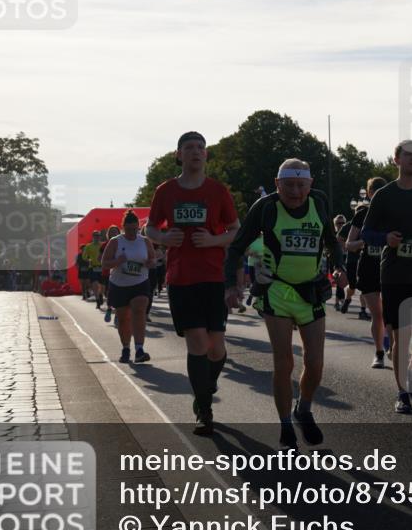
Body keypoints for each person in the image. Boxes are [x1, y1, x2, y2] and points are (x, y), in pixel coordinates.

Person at [225, 159, 346, 449]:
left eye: (301, 185)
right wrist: (231, 284)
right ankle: (285, 424)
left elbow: (331, 241)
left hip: (310, 291)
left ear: (310, 184)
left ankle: (303, 409)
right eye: (288, 185)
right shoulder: (266, 207)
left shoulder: (319, 202)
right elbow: (237, 246)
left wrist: (339, 266)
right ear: (277, 184)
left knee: (315, 362)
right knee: (284, 362)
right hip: (277, 290)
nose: (295, 192)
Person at [147, 131, 240, 436]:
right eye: (189, 147)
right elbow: (151, 228)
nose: (196, 151)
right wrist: (163, 237)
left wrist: (213, 240)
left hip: (213, 277)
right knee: (198, 342)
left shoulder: (217, 191)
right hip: (181, 278)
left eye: (201, 147)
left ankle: (206, 385)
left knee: (216, 349)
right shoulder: (166, 191)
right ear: (179, 154)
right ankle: (204, 409)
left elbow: (235, 229)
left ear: (206, 155)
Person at [361, 141, 412, 413]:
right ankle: (402, 392)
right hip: (394, 275)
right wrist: (385, 238)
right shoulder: (384, 195)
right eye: (408, 155)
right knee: (400, 338)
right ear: (396, 159)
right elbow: (366, 233)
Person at [102, 211, 155, 363]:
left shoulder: (145, 241)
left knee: (139, 310)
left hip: (140, 283)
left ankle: (139, 349)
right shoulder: (115, 242)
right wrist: (117, 261)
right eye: (129, 229)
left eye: (135, 229)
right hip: (119, 284)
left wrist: (150, 263)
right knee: (123, 318)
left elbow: (152, 259)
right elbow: (104, 263)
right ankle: (126, 348)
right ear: (123, 228)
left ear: (138, 227)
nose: (132, 232)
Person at [347, 177, 390, 368]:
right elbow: (349, 244)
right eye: (376, 190)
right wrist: (367, 240)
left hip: (390, 268)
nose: (380, 194)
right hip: (368, 268)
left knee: (389, 313)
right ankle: (379, 352)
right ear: (370, 193)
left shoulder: (394, 212)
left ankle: (391, 345)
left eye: (384, 190)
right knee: (377, 315)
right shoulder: (362, 213)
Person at [101, 225, 120, 324]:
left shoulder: (122, 242)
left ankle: (117, 314)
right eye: (112, 232)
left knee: (118, 293)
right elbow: (100, 258)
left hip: (119, 272)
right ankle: (109, 309)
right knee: (110, 292)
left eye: (115, 231)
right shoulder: (105, 245)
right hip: (107, 272)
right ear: (108, 234)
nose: (114, 233)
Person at [81, 231, 105, 309]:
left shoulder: (103, 245)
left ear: (100, 237)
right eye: (95, 236)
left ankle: (100, 295)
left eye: (98, 236)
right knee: (95, 284)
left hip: (102, 267)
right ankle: (97, 300)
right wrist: (88, 259)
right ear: (93, 237)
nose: (96, 237)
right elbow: (84, 256)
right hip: (93, 267)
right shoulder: (88, 246)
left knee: (102, 285)